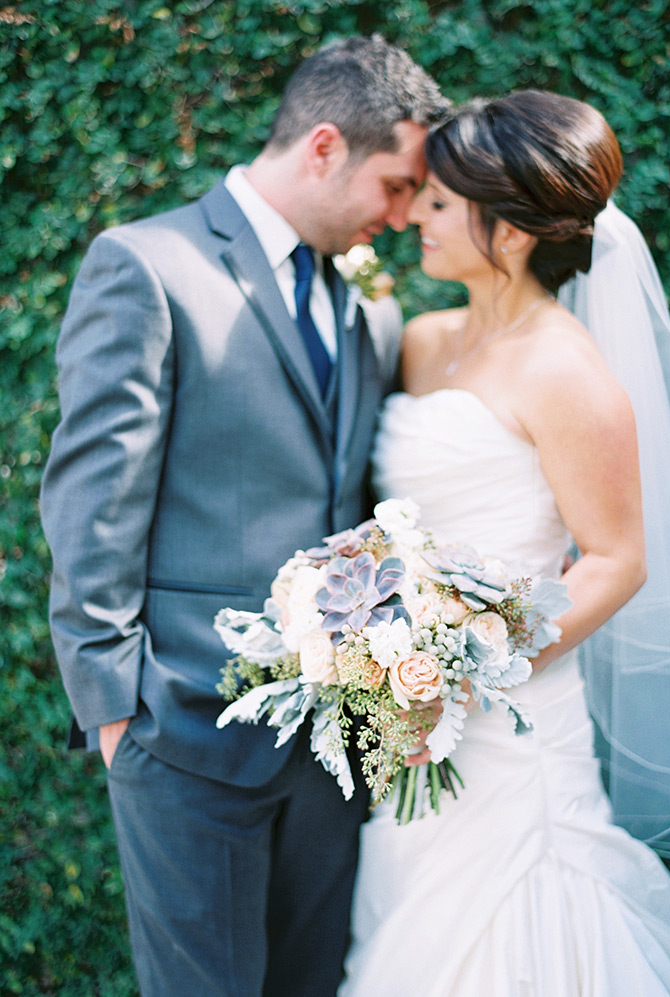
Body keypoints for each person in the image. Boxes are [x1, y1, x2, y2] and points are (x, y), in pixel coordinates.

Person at [40, 35, 448, 997]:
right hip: (181, 732)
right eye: (394, 185)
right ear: (322, 146)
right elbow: (93, 501)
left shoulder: (368, 306)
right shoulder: (146, 264)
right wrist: (115, 711)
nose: (400, 215)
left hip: (332, 747)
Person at [339, 92, 670, 995]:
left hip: (513, 722)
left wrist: (469, 672)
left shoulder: (568, 370)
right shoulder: (422, 340)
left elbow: (617, 558)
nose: (413, 217)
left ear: (513, 233)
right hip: (412, 719)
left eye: (440, 204)